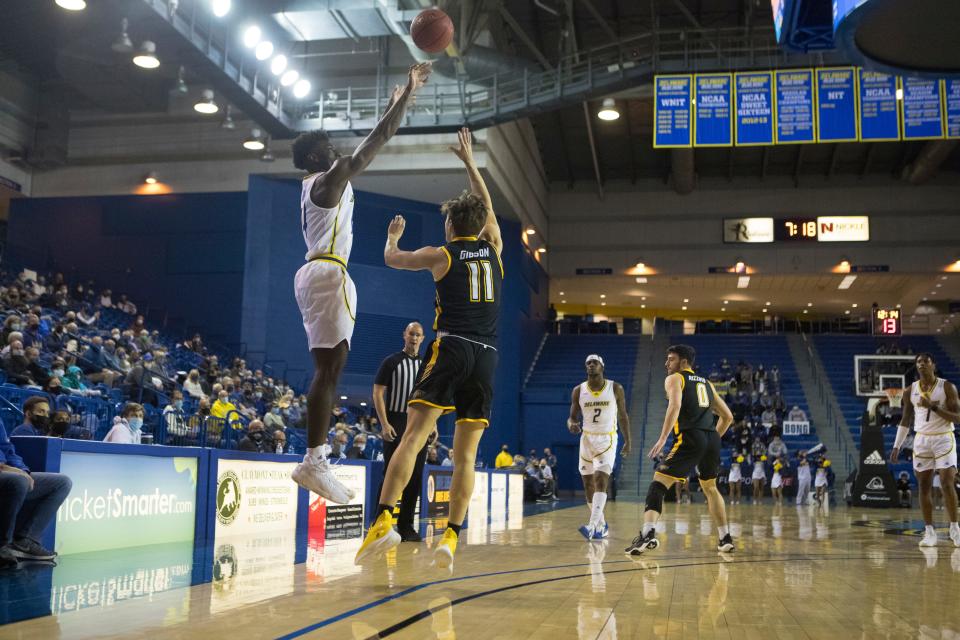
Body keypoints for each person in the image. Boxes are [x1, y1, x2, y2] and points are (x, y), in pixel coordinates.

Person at [356, 126, 502, 571]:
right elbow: (489, 207)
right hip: (488, 357)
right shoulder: (494, 249)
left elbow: (391, 260)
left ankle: (384, 520)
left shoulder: (442, 254)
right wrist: (470, 162)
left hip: (453, 346)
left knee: (415, 436)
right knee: (466, 456)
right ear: (480, 226)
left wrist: (391, 239)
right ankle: (452, 535)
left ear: (450, 225)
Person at [289, 61, 432, 506]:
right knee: (330, 370)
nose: (336, 151)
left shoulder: (317, 184)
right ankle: (314, 460)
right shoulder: (327, 181)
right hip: (328, 271)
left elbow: (365, 146)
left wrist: (393, 103)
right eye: (329, 147)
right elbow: (375, 145)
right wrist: (405, 98)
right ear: (315, 157)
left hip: (317, 271)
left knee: (328, 369)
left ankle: (315, 457)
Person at [626, 344, 735, 556]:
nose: (666, 364)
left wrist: (663, 438)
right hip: (711, 438)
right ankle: (725, 538)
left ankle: (647, 534)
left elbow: (674, 406)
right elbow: (728, 417)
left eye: (671, 359)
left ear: (683, 362)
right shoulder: (708, 384)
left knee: (658, 483)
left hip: (690, 435)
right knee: (710, 488)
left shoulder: (675, 378)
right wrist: (709, 442)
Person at [890, 353, 960, 547]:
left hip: (944, 438)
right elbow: (905, 420)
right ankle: (929, 533)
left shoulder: (947, 387)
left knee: (947, 482)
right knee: (924, 486)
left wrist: (933, 407)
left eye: (925, 361)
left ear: (933, 365)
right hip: (921, 440)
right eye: (918, 362)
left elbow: (958, 417)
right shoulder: (910, 390)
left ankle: (955, 528)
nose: (921, 364)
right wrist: (897, 446)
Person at [372, 321, 428, 541]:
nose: (414, 338)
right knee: (391, 473)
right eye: (411, 334)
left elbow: (430, 399)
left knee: (415, 476)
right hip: (396, 421)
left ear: (423, 339)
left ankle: (406, 526)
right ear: (404, 335)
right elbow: (377, 393)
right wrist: (385, 424)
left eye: (418, 335)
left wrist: (431, 425)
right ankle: (380, 524)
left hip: (419, 422)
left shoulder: (427, 366)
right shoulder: (391, 362)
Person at [567, 354, 632, 540]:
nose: (591, 365)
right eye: (588, 363)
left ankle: (592, 524)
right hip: (586, 439)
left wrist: (628, 441)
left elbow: (623, 416)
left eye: (594, 363)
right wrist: (571, 424)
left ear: (602, 366)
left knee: (600, 479)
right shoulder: (578, 390)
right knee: (588, 483)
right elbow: (572, 416)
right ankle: (602, 525)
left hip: (607, 439)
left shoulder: (615, 387)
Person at [0, 421, 73, 568]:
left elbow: (8, 450)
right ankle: (3, 546)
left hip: (8, 472)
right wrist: (12, 470)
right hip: (6, 473)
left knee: (62, 482)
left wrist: (24, 471)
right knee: (18, 481)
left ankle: (26, 540)